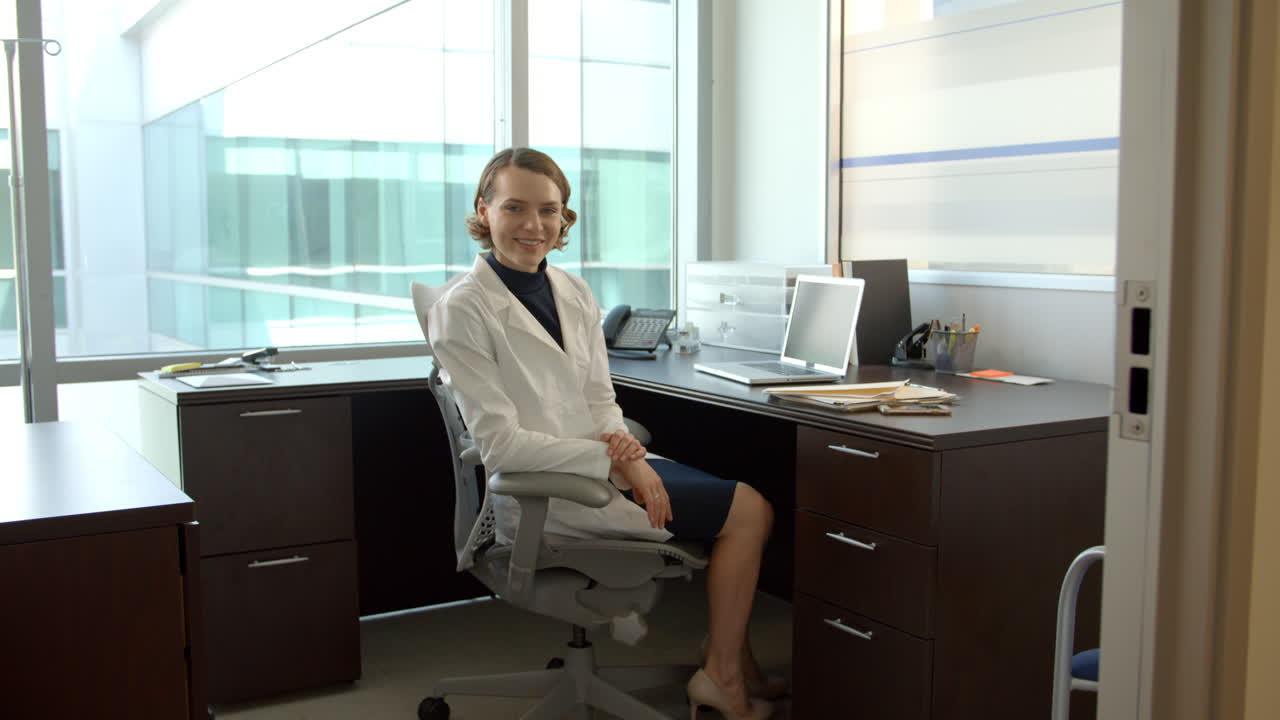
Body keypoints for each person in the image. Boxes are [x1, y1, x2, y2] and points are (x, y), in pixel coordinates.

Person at [427, 147, 780, 720]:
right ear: (484, 210)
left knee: (741, 499)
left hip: (605, 467)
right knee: (749, 512)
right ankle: (722, 676)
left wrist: (622, 447)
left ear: (564, 216)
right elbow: (501, 447)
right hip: (551, 491)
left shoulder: (572, 290)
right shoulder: (462, 309)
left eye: (549, 210)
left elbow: (600, 400)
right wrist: (616, 460)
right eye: (515, 207)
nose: (534, 225)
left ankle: (731, 660)